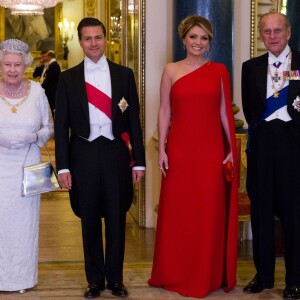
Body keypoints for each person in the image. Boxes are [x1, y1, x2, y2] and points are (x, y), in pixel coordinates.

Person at [148, 15, 238, 298]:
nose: (198, 42)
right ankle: (175, 271)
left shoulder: (220, 71)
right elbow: (164, 110)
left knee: (207, 213)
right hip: (180, 150)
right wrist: (161, 148)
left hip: (210, 152)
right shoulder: (171, 70)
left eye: (204, 38)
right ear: (184, 39)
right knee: (179, 213)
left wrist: (230, 151)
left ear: (209, 43)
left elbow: (225, 112)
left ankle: (206, 275)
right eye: (193, 37)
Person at [54, 17, 145, 299]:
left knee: (117, 218)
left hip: (116, 153)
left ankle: (115, 279)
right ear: (80, 41)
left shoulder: (124, 74)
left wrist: (139, 161)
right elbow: (61, 126)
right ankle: (94, 280)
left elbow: (133, 120)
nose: (93, 43)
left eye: (98, 37)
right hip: (83, 153)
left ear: (106, 39)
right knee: (89, 218)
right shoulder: (67, 78)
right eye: (88, 39)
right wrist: (64, 166)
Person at [242, 12, 300, 300]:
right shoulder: (250, 67)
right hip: (263, 147)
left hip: (294, 147)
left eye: (278, 30)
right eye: (267, 31)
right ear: (261, 35)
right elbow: (251, 112)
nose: (273, 35)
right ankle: (263, 276)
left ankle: (295, 280)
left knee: (294, 216)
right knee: (261, 213)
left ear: (288, 33)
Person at [0, 39, 53, 293]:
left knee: (24, 224)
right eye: (8, 64)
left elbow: (49, 127)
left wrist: (33, 137)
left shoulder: (37, 91)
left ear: (25, 65)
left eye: (17, 65)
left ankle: (21, 279)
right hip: (0, 168)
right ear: (1, 65)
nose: (12, 69)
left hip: (27, 167)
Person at [33, 50, 61, 118]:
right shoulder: (43, 66)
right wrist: (39, 64)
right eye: (42, 57)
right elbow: (34, 75)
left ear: (48, 57)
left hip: (49, 91)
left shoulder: (53, 65)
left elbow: (49, 79)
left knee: (49, 109)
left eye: (44, 56)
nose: (43, 58)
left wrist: (40, 87)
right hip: (44, 90)